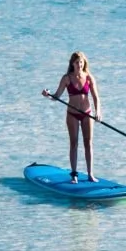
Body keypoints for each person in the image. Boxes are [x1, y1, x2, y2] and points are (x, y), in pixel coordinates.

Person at [42, 51, 101, 182]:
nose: (79, 64)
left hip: (87, 114)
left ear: (84, 63)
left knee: (88, 143)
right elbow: (57, 96)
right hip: (72, 114)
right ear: (72, 64)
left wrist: (98, 112)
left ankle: (90, 174)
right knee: (74, 143)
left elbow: (96, 97)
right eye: (77, 62)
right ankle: (74, 175)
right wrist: (48, 95)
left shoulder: (89, 78)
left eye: (81, 62)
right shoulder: (67, 78)